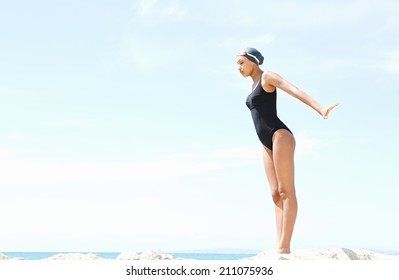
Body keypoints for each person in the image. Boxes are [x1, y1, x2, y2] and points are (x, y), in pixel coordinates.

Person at [236, 47, 339, 254]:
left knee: (286, 191)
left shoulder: (268, 77)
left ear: (253, 62)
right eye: (237, 64)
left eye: (241, 63)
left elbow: (294, 90)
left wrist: (320, 108)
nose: (238, 68)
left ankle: (284, 248)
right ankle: (279, 244)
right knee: (275, 194)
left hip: (279, 135)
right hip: (265, 143)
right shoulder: (252, 85)